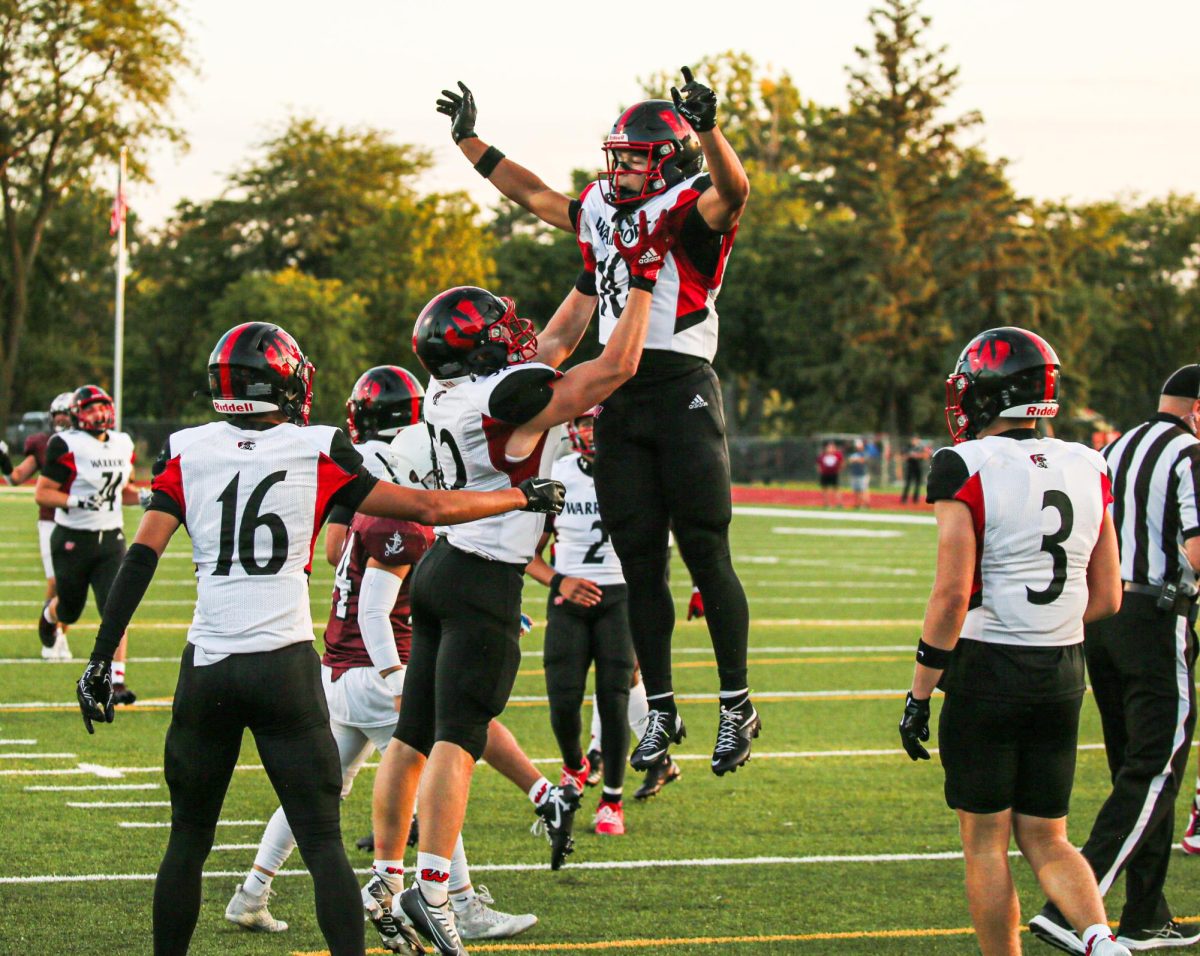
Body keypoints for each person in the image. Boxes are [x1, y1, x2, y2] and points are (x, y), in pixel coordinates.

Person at [73, 321, 563, 956]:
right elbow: (429, 509)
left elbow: (139, 557)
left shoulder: (186, 448)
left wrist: (100, 656)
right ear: (284, 381)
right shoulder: (316, 445)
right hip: (283, 666)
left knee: (187, 839)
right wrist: (519, 497)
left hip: (208, 664)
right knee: (324, 843)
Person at [435, 66, 758, 777]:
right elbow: (534, 194)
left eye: (635, 157)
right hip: (619, 394)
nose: (620, 169)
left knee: (705, 547)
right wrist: (471, 142)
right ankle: (665, 708)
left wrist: (709, 126)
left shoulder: (690, 198)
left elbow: (734, 192)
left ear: (670, 158)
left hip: (680, 384)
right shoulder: (602, 210)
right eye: (618, 156)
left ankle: (736, 703)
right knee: (638, 559)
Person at [371, 208, 675, 956]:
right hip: (484, 582)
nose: (515, 332)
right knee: (457, 739)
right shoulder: (506, 397)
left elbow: (554, 344)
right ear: (477, 348)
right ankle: (434, 888)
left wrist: (589, 271)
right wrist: (638, 279)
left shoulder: (451, 393)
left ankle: (382, 877)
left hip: (442, 567)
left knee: (411, 737)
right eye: (497, 327)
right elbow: (612, 368)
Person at [225, 399, 535, 946]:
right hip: (373, 671)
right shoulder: (401, 519)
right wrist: (396, 677)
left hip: (341, 668)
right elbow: (374, 609)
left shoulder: (369, 506)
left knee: (322, 789)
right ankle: (458, 904)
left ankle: (251, 892)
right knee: (437, 763)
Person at [898, 327, 1128, 956]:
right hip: (1061, 669)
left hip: (988, 670)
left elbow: (950, 596)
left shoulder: (963, 464)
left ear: (988, 392)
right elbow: (1107, 597)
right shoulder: (1089, 462)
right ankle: (1101, 939)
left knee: (985, 842)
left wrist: (920, 692)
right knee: (1049, 836)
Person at [1031, 364, 1200, 952]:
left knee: (1136, 766)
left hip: (1102, 619)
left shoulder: (1115, 446)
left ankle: (1147, 912)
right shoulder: (1189, 453)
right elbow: (1198, 549)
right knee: (1155, 768)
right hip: (1157, 619)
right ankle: (1076, 907)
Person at [526, 407, 636, 835]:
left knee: (614, 699)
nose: (592, 431)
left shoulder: (634, 473)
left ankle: (612, 800)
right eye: (586, 422)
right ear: (573, 428)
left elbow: (653, 553)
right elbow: (526, 554)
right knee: (563, 698)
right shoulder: (559, 473)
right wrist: (560, 582)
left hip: (619, 598)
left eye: (599, 422)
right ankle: (575, 764)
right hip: (569, 597)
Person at [36, 385, 147, 699]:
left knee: (116, 608)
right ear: (76, 414)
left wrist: (143, 497)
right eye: (89, 408)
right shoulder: (65, 444)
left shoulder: (122, 444)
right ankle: (50, 615)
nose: (98, 414)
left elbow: (119, 492)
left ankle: (118, 680)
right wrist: (76, 501)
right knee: (70, 611)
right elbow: (42, 492)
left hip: (110, 538)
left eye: (101, 407)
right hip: (72, 538)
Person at [0, 391, 75, 659]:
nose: (62, 419)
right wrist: (4, 461)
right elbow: (16, 478)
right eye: (58, 414)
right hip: (50, 520)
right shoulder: (45, 444)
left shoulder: (89, 445)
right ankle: (52, 635)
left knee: (71, 583)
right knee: (56, 581)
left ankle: (61, 635)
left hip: (81, 521)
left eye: (67, 413)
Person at [901, 434, 930, 504]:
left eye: (916, 440)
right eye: (913, 440)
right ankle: (904, 499)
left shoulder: (921, 447)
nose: (914, 441)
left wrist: (917, 455)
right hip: (910, 467)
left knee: (918, 484)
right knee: (908, 483)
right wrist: (909, 455)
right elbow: (903, 457)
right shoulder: (907, 447)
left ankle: (915, 499)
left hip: (918, 467)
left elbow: (926, 455)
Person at [816, 441, 844, 508]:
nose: (830, 449)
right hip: (825, 474)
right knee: (825, 488)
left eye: (831, 447)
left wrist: (839, 469)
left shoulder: (837, 455)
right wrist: (819, 469)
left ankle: (839, 503)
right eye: (828, 447)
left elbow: (842, 463)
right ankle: (826, 503)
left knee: (836, 488)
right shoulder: (823, 455)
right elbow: (818, 463)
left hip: (834, 474)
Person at [846, 439, 870, 509]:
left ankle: (865, 504)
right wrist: (856, 460)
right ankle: (857, 504)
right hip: (854, 474)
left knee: (863, 490)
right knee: (856, 490)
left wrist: (856, 460)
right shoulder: (854, 454)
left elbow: (862, 461)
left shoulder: (865, 453)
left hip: (863, 474)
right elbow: (850, 461)